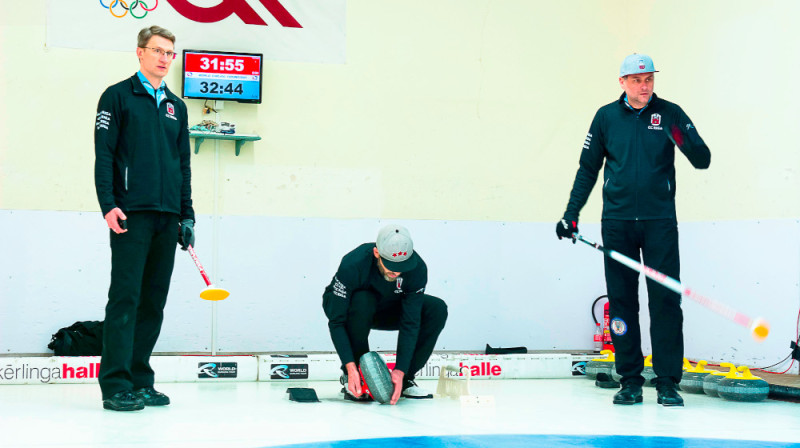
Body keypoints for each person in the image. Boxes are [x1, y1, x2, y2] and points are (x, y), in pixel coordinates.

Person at [556, 54, 710, 407]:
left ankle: (668, 381)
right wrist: (571, 214)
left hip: (659, 224)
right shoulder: (606, 117)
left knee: (666, 302)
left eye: (650, 79)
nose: (645, 86)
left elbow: (701, 159)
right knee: (622, 303)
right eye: (638, 80)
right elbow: (588, 169)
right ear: (622, 81)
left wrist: (687, 139)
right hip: (618, 223)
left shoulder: (669, 113)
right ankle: (630, 380)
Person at [94, 26, 195, 411]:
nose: (164, 58)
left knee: (153, 302)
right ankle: (116, 384)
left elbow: (182, 164)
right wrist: (108, 204)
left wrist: (187, 215)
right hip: (130, 215)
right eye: (157, 50)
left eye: (170, 52)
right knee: (126, 300)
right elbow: (104, 155)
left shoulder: (176, 106)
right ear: (140, 53)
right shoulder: (117, 97)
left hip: (167, 217)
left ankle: (139, 379)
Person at [322, 225, 448, 405]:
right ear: (376, 253)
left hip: (388, 306)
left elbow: (410, 322)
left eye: (401, 268)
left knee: (436, 309)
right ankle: (358, 376)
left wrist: (401, 369)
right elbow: (337, 322)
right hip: (350, 308)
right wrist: (349, 366)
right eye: (390, 266)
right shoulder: (353, 264)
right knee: (363, 299)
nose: (396, 273)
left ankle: (404, 381)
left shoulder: (418, 268)